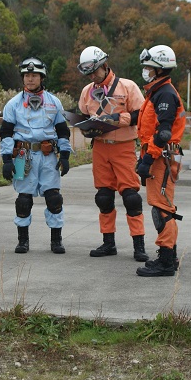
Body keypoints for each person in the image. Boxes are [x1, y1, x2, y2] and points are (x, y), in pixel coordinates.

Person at [77, 46, 148, 262]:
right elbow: (82, 114)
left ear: (105, 65)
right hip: (100, 147)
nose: (92, 76)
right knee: (104, 197)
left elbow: (141, 114)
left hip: (123, 146)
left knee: (131, 197)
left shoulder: (128, 86)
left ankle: (139, 245)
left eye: (95, 71)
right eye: (88, 73)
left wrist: (117, 119)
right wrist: (86, 128)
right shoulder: (87, 90)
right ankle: (108, 243)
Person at [0, 57, 72, 254]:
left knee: (54, 198)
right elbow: (5, 132)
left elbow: (63, 131)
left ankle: (56, 240)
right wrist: (6, 159)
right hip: (23, 156)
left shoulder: (53, 102)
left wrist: (64, 155)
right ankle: (23, 240)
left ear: (42, 77)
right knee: (23, 200)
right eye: (27, 75)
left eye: (34, 75)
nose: (30, 79)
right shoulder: (13, 104)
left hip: (48, 157)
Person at [134, 45, 186, 277]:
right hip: (159, 156)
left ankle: (165, 261)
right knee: (162, 207)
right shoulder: (157, 92)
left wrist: (147, 158)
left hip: (160, 157)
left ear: (159, 69)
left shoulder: (164, 93)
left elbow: (163, 133)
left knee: (162, 209)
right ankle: (170, 256)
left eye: (149, 67)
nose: (145, 70)